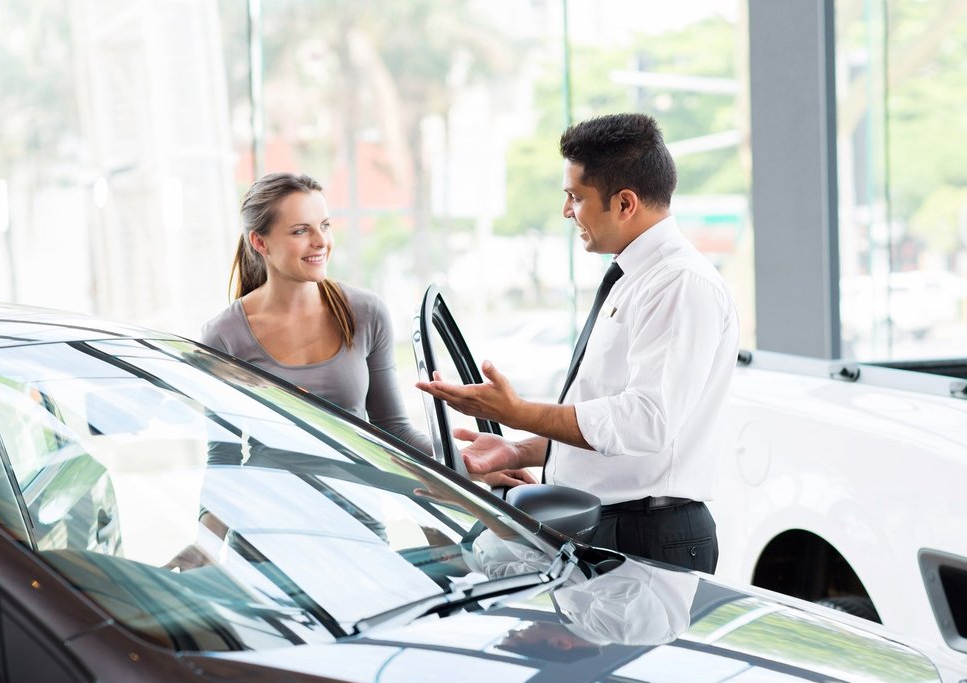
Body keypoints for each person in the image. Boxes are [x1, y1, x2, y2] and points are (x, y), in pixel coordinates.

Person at [417, 113, 739, 573]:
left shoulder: (678, 283)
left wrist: (517, 411)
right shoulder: (637, 277)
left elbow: (646, 422)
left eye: (575, 197)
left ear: (625, 203)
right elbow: (607, 421)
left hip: (647, 532)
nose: (567, 211)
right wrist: (520, 448)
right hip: (614, 524)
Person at [200, 172, 435, 456]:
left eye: (325, 225)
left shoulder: (367, 313)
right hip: (273, 499)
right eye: (301, 230)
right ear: (260, 243)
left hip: (360, 499)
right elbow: (223, 455)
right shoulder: (224, 336)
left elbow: (394, 431)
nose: (321, 241)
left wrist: (467, 463)